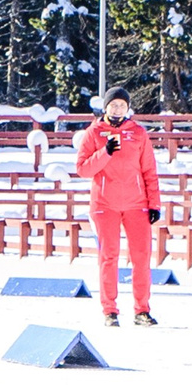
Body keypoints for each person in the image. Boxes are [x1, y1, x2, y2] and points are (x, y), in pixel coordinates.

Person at [72, 91, 160, 328]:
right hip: (105, 204)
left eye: (122, 105)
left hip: (136, 203)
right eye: (113, 105)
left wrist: (154, 203)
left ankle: (142, 310)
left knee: (141, 257)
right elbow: (83, 169)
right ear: (106, 107)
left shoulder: (139, 133)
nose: (118, 109)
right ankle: (109, 310)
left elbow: (149, 170)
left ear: (128, 108)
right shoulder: (94, 132)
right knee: (108, 256)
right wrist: (106, 152)